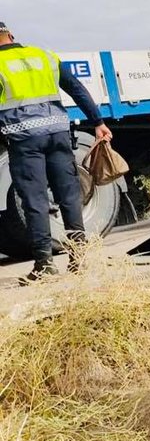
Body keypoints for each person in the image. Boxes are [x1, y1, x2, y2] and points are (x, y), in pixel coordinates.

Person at [0, 21, 113, 282]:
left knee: (35, 201)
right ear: (12, 35)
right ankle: (80, 258)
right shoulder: (44, 56)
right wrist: (98, 122)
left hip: (25, 140)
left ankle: (45, 265)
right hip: (58, 134)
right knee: (69, 196)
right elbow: (76, 88)